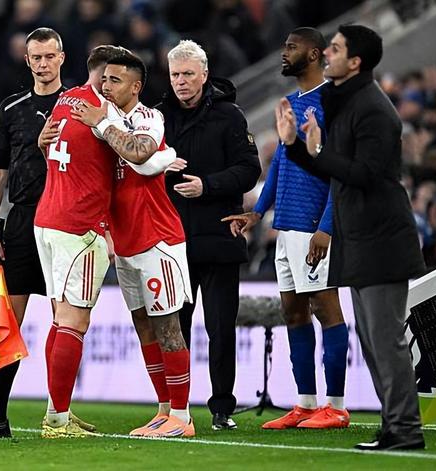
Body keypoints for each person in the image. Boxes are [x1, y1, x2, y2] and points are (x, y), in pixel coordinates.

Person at [277, 24, 426, 450]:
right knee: (373, 342)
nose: (328, 54)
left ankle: (405, 429)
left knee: (386, 339)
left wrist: (317, 152)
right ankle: (393, 425)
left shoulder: (374, 110)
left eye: (337, 49)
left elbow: (364, 175)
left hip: (382, 239)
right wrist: (297, 147)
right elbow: (336, 172)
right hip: (359, 238)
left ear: (355, 62)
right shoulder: (348, 103)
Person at [0, 28, 93, 439]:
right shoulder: (11, 108)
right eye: (36, 57)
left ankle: (59, 413)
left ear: (62, 57)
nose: (43, 64)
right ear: (27, 61)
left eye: (49, 56)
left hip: (66, 220)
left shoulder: (80, 106)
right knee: (9, 320)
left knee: (64, 320)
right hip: (23, 221)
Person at [222, 28, 350, 430]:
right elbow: (280, 162)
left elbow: (340, 173)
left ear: (313, 54)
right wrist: (259, 212)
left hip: (314, 226)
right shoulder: (292, 103)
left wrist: (326, 226)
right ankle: (306, 403)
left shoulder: (333, 102)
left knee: (326, 308)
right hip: (286, 225)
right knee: (294, 312)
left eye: (292, 47)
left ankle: (337, 405)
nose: (284, 52)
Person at [71, 51, 195, 437]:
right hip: (124, 242)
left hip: (157, 238)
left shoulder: (148, 118)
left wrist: (106, 125)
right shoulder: (101, 122)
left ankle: (183, 417)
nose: (106, 86)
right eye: (104, 79)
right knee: (144, 327)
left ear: (136, 86)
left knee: (168, 326)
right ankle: (164, 409)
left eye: (115, 80)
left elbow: (140, 154)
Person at [157, 39, 261, 430]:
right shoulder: (157, 118)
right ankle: (174, 408)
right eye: (175, 74)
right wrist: (159, 167)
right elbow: (135, 170)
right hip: (172, 241)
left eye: (188, 73)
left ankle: (222, 408)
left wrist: (208, 185)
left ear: (204, 74)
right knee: (174, 331)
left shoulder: (229, 116)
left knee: (220, 329)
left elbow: (250, 169)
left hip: (218, 236)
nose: (181, 81)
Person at [33, 44, 129, 438]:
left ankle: (57, 410)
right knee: (75, 321)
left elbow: (50, 149)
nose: (117, 86)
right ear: (104, 75)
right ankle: (57, 420)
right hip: (79, 226)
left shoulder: (65, 100)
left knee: (60, 319)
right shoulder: (101, 110)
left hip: (47, 218)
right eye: (115, 78)